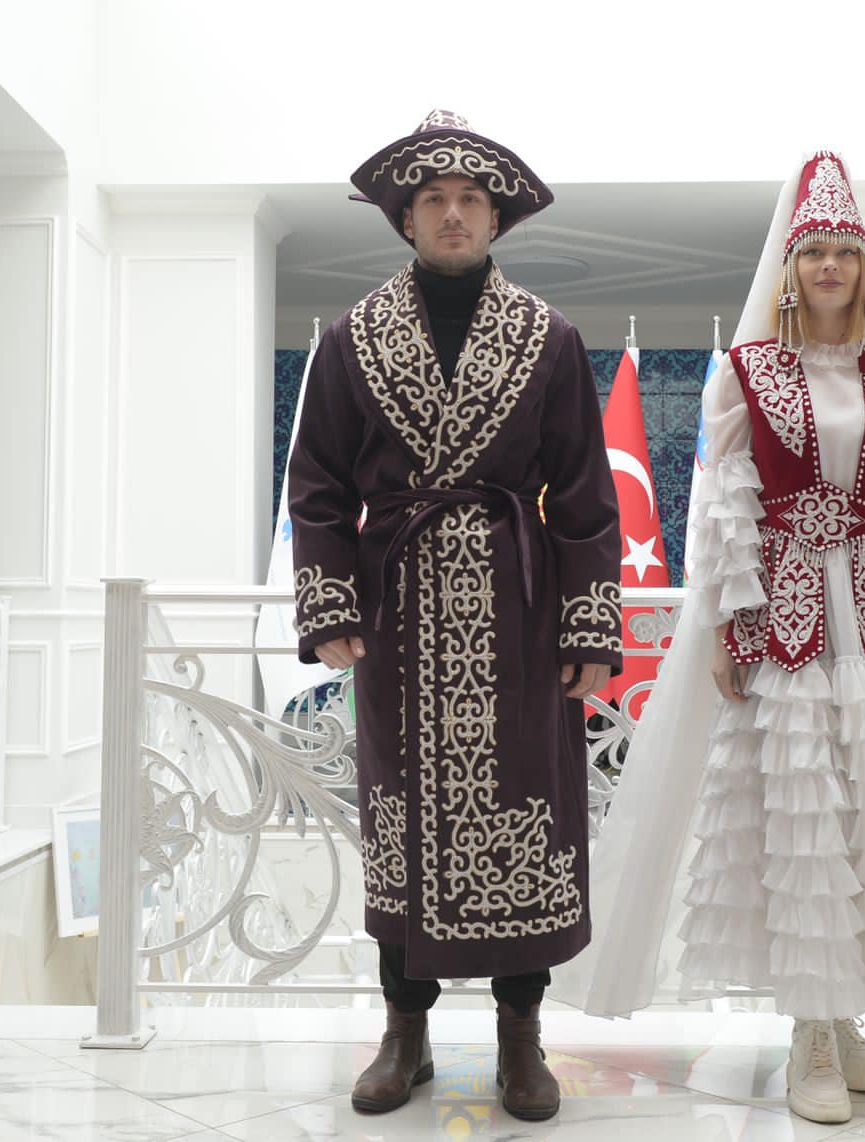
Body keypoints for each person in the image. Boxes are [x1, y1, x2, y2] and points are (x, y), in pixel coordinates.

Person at [553, 152, 865, 1126]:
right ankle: (808, 1035)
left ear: (863, 268)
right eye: (813, 250)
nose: (829, 266)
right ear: (789, 267)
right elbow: (725, 505)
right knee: (799, 827)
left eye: (844, 252)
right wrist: (725, 625)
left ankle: (845, 1018)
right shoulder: (749, 373)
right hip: (783, 630)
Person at [287, 110, 622, 1122]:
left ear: (495, 217)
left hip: (518, 608)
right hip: (398, 607)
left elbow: (586, 494)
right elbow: (316, 485)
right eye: (432, 199)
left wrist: (588, 627)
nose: (452, 213)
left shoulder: (548, 337)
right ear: (405, 218)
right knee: (401, 810)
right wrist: (330, 602)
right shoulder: (352, 339)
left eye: (470, 198)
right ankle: (407, 1029)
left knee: (529, 800)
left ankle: (521, 1032)